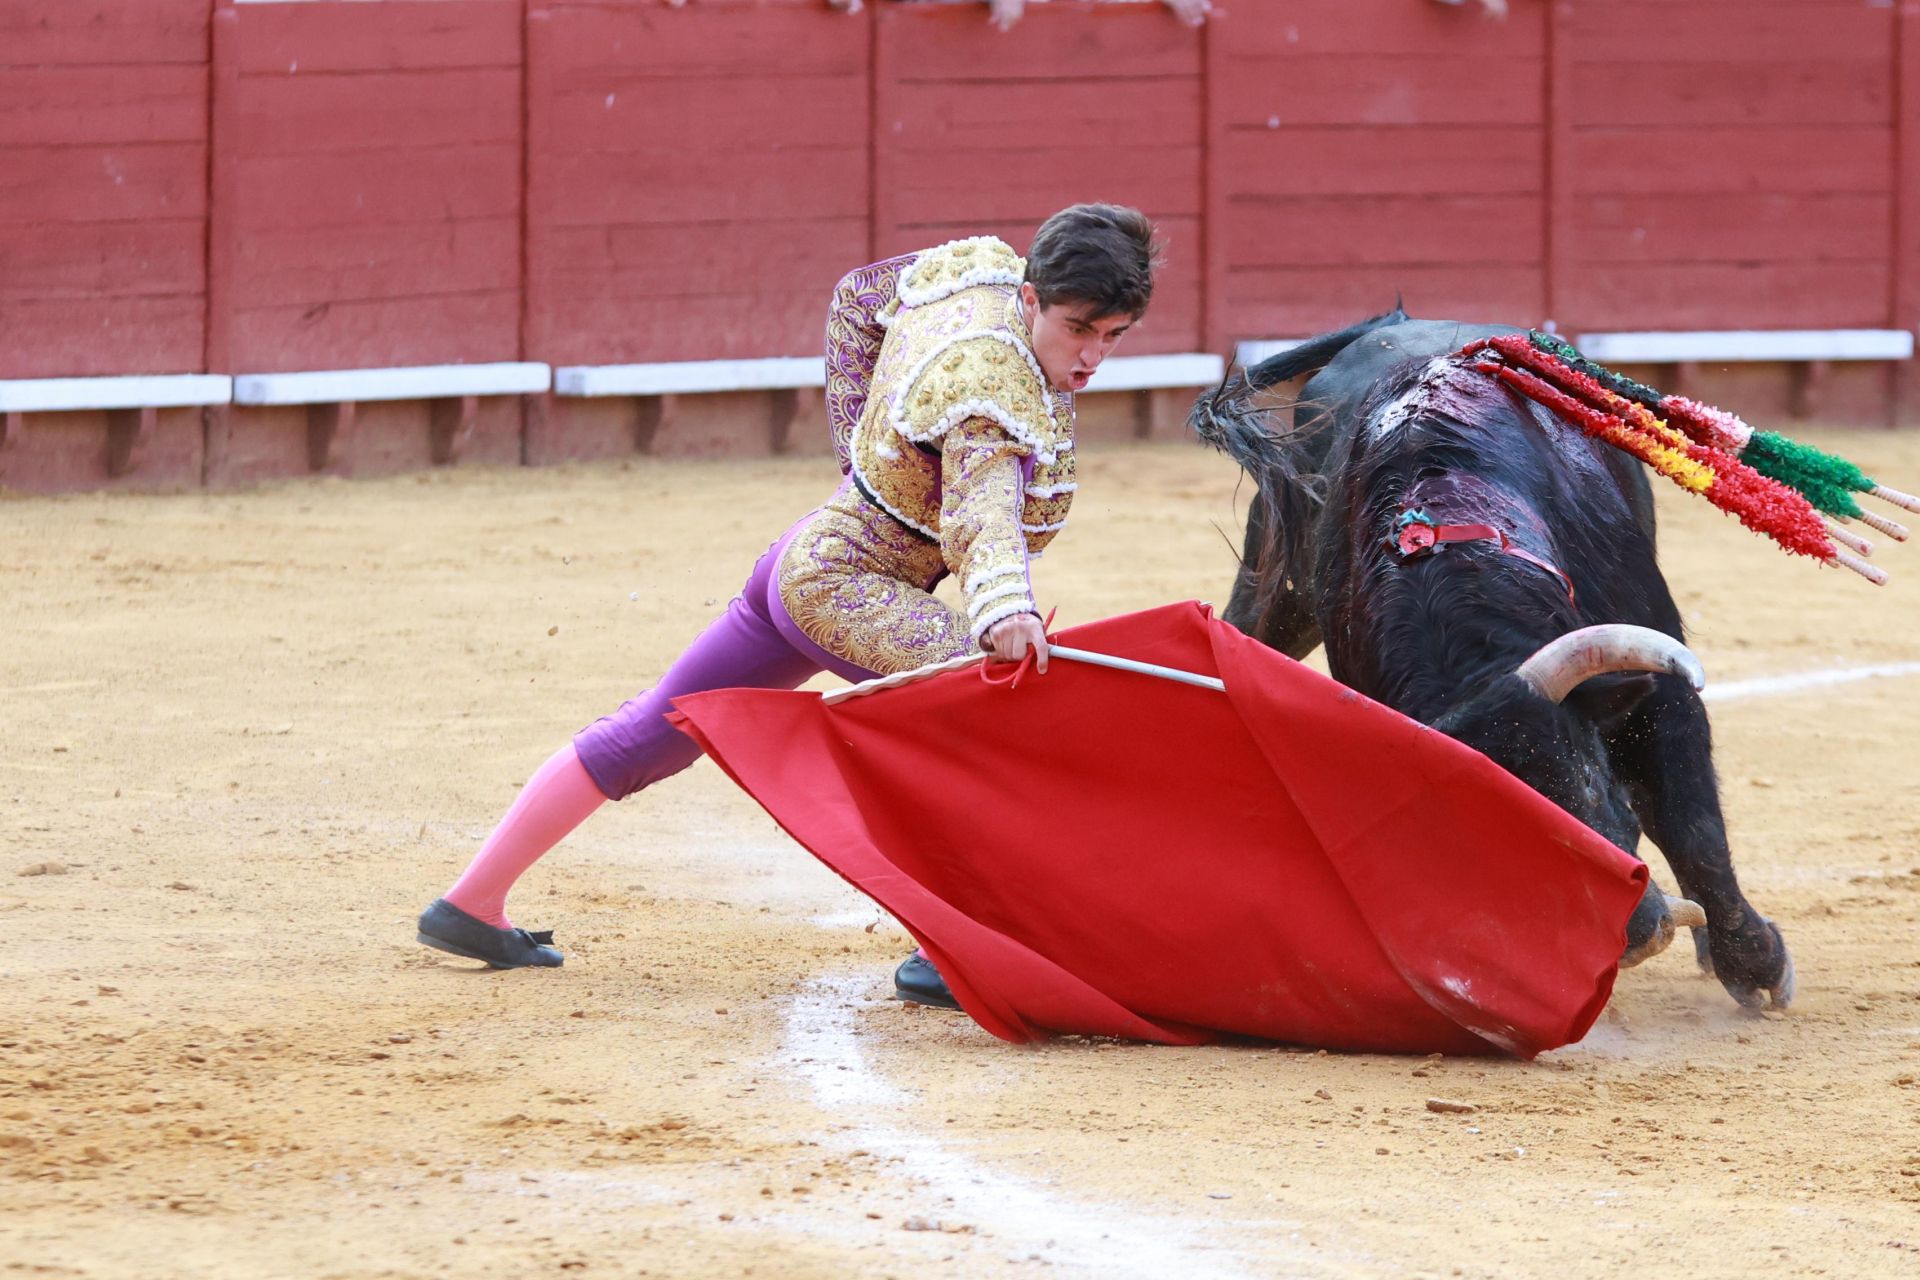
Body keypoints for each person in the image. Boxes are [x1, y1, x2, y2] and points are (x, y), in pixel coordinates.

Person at [416, 203, 1160, 1006]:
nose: (1091, 356)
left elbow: (857, 301)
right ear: (1030, 297)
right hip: (850, 588)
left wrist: (867, 464)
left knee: (657, 728)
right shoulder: (994, 388)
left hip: (807, 560)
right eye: (1079, 327)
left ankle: (469, 903)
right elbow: (984, 514)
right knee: (997, 708)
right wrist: (1003, 607)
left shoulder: (973, 277)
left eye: (1113, 335)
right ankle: (943, 952)